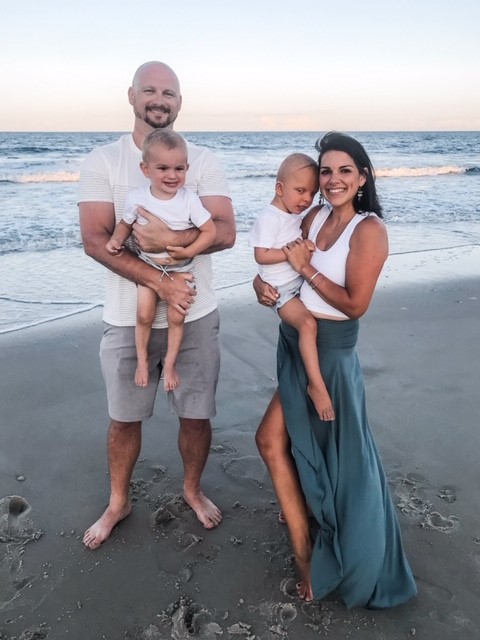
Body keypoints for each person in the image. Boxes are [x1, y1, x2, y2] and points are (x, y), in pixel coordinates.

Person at [254, 132, 416, 608]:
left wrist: (306, 272)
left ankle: (308, 553)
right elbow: (278, 262)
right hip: (295, 337)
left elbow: (355, 303)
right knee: (293, 444)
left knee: (287, 443)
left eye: (346, 170)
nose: (333, 179)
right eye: (326, 171)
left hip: (330, 353)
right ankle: (306, 520)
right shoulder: (313, 213)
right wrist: (261, 287)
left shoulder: (369, 230)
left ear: (363, 177)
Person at [78, 61, 235, 549]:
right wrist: (158, 281)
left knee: (196, 413)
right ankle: (119, 500)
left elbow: (225, 231)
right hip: (128, 316)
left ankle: (191, 489)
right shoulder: (103, 161)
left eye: (168, 92)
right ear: (131, 96)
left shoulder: (202, 159)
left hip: (196, 308)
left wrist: (175, 241)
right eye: (150, 90)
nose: (158, 99)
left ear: (180, 102)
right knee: (124, 416)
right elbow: (95, 239)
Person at [106, 129, 217, 391]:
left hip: (182, 270)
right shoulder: (138, 197)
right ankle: (143, 361)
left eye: (179, 168)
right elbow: (125, 223)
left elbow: (210, 231)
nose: (172, 175)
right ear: (146, 169)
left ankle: (170, 364)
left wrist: (189, 251)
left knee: (176, 320)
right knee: (144, 315)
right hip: (149, 267)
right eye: (163, 168)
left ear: (187, 168)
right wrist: (116, 240)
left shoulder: (189, 200)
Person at [249, 153, 334, 421]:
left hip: (296, 284)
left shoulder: (294, 215)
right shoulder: (270, 218)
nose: (306, 200)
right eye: (300, 191)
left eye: (311, 193)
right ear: (279, 188)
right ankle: (316, 385)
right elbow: (261, 255)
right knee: (307, 325)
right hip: (281, 291)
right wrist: (293, 253)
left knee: (310, 328)